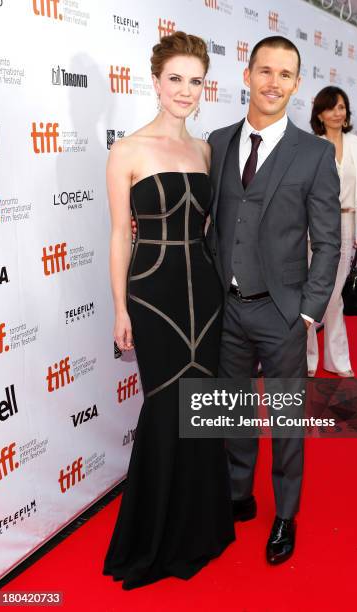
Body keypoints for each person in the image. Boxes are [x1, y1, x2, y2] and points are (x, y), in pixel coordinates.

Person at [103, 32, 235, 590]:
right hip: (152, 298)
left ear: (205, 86)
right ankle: (152, 540)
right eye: (175, 79)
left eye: (195, 80)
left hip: (204, 294)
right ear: (155, 82)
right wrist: (120, 310)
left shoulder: (205, 150)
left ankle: (201, 526)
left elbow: (210, 231)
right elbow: (118, 237)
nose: (185, 90)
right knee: (163, 408)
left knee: (200, 406)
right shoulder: (127, 151)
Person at [206, 37, 341, 564]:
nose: (273, 82)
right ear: (247, 74)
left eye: (285, 74)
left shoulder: (314, 154)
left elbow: (327, 241)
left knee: (286, 420)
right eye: (265, 70)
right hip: (229, 308)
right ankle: (240, 492)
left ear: (297, 84)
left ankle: (285, 513)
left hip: (283, 312)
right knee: (234, 412)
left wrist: (307, 312)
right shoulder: (216, 142)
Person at [306, 86, 357, 378]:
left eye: (341, 107)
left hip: (347, 224)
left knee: (333, 295)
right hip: (317, 226)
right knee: (312, 291)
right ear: (320, 113)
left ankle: (336, 359)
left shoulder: (356, 144)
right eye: (330, 107)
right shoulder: (312, 145)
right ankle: (309, 359)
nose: (337, 112)